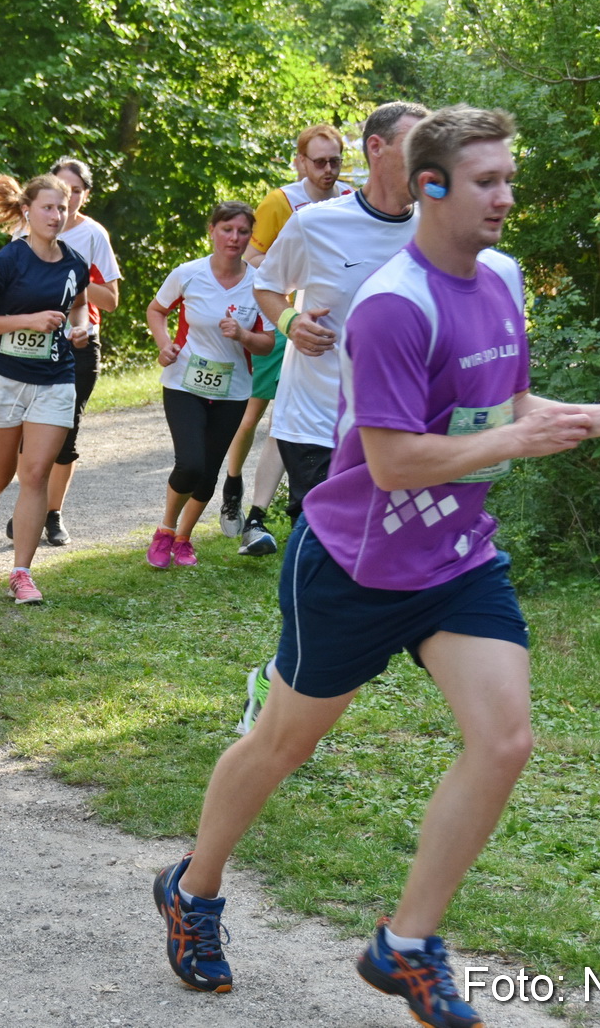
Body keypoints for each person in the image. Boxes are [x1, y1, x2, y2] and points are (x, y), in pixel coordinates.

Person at [153, 106, 600, 1026]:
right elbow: (395, 461)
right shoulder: (395, 304)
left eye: (509, 179)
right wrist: (517, 439)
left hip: (456, 557)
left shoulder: (503, 277)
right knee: (284, 742)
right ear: (430, 185)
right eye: (488, 182)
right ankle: (193, 888)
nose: (506, 198)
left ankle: (406, 944)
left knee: (505, 739)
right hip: (355, 564)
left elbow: (510, 402)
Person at [235, 100, 429, 733]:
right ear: (376, 149)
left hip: (400, 427)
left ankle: (285, 676)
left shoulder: (436, 227)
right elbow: (266, 284)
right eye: (416, 145)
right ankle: (284, 686)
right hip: (319, 420)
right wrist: (291, 322)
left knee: (373, 563)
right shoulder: (317, 223)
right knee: (331, 562)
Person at [220, 123, 354, 555]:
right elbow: (254, 257)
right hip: (279, 319)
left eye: (335, 161)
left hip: (324, 326)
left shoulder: (351, 198)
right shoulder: (281, 202)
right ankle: (233, 485)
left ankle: (259, 517)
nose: (328, 169)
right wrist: (298, 284)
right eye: (319, 161)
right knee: (256, 414)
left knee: (289, 418)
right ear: (300, 162)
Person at [0, 173, 90, 603]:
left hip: (55, 379)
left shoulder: (76, 263)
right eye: (47, 208)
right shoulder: (6, 261)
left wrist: (81, 329)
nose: (56, 215)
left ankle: (21, 572)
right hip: (3, 379)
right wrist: (28, 321)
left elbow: (79, 307)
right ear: (27, 211)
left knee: (35, 474)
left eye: (62, 208)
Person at [144, 202, 274, 569]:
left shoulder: (259, 284)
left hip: (233, 390)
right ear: (212, 230)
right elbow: (156, 310)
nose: (234, 238)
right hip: (184, 383)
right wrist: (164, 344)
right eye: (227, 229)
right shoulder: (188, 274)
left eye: (243, 232)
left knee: (208, 473)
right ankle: (165, 530)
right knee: (190, 464)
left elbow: (267, 344)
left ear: (250, 236)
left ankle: (184, 538)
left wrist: (244, 336)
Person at [2, 157, 122, 547]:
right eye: (59, 191)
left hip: (77, 344)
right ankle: (27, 506)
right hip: (30, 343)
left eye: (74, 192)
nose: (65, 202)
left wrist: (73, 277)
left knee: (65, 434)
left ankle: (52, 513)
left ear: (84, 195)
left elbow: (112, 300)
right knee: (27, 432)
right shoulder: (24, 229)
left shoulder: (93, 235)